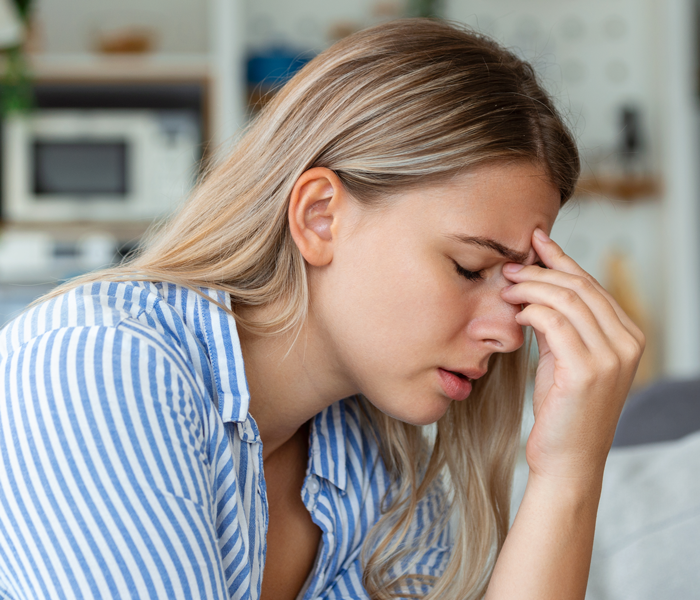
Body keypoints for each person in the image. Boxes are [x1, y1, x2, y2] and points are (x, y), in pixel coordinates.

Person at [0, 18, 643, 600]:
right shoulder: (99, 364)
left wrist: (568, 475)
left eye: (519, 289)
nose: (509, 334)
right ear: (319, 216)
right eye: (469, 268)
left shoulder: (382, 473)